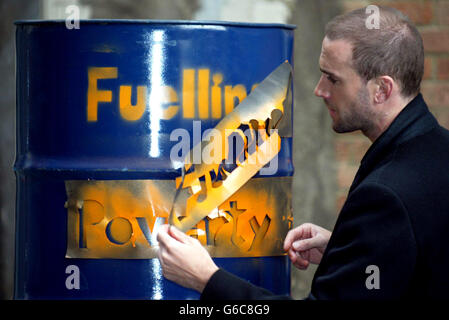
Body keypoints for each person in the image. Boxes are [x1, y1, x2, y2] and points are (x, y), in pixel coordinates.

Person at [156, 6, 449, 300]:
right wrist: (350, 251)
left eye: (333, 79)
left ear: (381, 90)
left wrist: (207, 280)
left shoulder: (386, 196)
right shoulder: (437, 149)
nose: (319, 90)